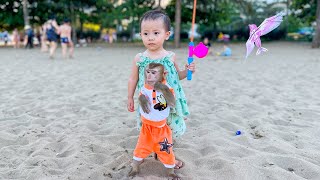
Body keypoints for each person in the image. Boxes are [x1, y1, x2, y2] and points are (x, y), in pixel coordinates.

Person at [127, 10, 195, 171]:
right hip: (149, 102)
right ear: (141, 35)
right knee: (150, 126)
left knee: (168, 127)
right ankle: (151, 151)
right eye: (145, 33)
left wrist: (188, 70)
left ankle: (165, 152)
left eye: (156, 33)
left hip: (167, 102)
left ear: (167, 34)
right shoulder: (140, 58)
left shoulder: (170, 57)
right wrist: (130, 97)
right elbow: (133, 79)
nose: (150, 37)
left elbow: (177, 77)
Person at [129, 63, 178, 179]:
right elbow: (142, 95)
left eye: (153, 73)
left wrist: (163, 88)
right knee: (140, 148)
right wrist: (142, 99)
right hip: (146, 127)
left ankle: (171, 172)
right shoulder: (145, 87)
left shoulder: (167, 87)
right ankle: (135, 168)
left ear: (162, 75)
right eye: (148, 72)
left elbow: (172, 103)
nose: (149, 76)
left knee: (167, 151)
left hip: (161, 128)